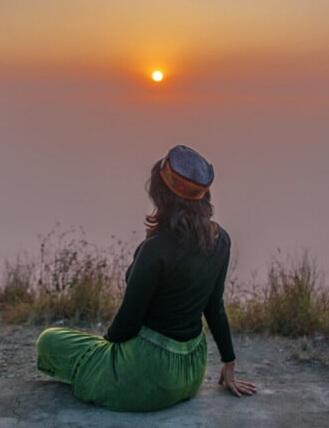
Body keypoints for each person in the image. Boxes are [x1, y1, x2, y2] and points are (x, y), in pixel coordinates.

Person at [36, 145, 256, 411]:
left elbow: (124, 327)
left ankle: (108, 374)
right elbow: (214, 308)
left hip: (150, 375)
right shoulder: (220, 240)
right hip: (190, 372)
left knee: (50, 340)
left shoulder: (155, 249)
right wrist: (229, 364)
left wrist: (106, 353)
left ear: (160, 195)